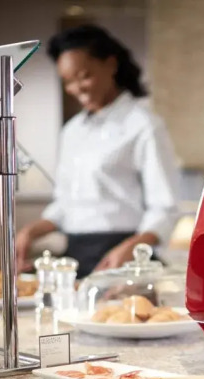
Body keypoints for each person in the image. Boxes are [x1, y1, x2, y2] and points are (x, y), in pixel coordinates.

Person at [16, 25, 180, 279]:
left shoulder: (143, 125)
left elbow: (165, 207)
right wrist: (31, 232)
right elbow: (65, 204)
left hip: (124, 255)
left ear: (111, 65)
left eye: (84, 76)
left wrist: (133, 246)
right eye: (67, 81)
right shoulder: (72, 131)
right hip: (76, 255)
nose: (76, 88)